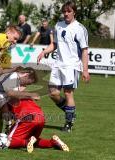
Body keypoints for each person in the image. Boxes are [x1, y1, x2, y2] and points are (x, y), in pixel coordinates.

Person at [37, 1, 90, 132]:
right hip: (58, 65)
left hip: (71, 66)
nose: (66, 14)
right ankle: (70, 112)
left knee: (68, 93)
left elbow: (84, 50)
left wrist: (85, 70)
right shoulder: (58, 25)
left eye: (69, 11)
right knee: (52, 93)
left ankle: (69, 124)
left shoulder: (80, 29)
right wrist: (44, 51)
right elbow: (54, 44)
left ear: (74, 12)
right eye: (64, 11)